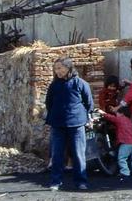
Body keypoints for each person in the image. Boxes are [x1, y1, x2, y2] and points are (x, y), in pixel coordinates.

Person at [45, 57, 93, 191]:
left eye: (60, 68)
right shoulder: (54, 85)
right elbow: (49, 103)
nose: (57, 71)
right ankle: (56, 181)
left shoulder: (80, 83)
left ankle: (81, 181)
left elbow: (88, 103)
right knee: (57, 154)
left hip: (77, 124)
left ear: (68, 68)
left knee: (78, 154)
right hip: (58, 124)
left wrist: (85, 116)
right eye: (56, 69)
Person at [97, 106, 132, 179]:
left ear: (122, 114)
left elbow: (111, 118)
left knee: (122, 158)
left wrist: (103, 113)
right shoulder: (130, 122)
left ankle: (125, 172)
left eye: (117, 113)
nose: (116, 115)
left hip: (124, 143)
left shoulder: (120, 119)